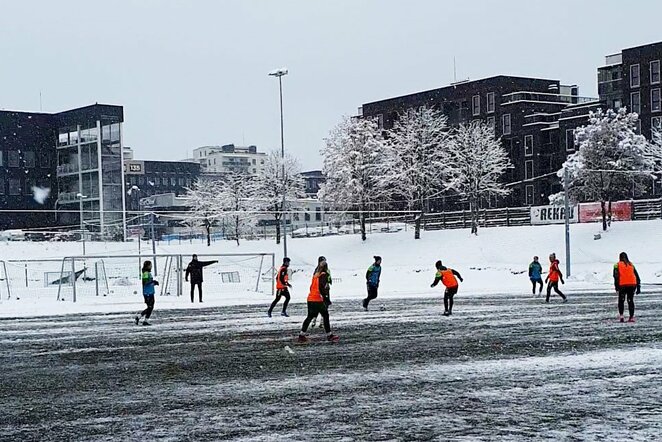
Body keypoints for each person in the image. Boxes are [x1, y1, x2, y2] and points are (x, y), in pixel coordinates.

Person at [298, 261, 339, 343]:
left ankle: (302, 335)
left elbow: (311, 287)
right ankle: (329, 335)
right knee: (325, 315)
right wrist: (325, 297)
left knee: (309, 317)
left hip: (310, 298)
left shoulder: (315, 275)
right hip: (317, 299)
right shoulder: (323, 275)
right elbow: (321, 287)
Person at [613, 252, 641, 323]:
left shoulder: (617, 265)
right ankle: (631, 317)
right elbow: (637, 276)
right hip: (632, 284)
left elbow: (616, 276)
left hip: (622, 285)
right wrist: (638, 287)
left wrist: (616, 286)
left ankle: (621, 316)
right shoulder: (631, 264)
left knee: (621, 300)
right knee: (630, 300)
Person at [311, 256, 332, 328]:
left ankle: (321, 321)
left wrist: (328, 282)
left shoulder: (326, 270)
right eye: (322, 261)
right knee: (320, 306)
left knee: (324, 305)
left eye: (325, 261)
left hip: (325, 290)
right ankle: (315, 319)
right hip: (320, 290)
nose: (324, 263)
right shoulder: (318, 271)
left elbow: (328, 278)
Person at [135, 260, 158, 326]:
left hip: (150, 292)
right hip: (147, 293)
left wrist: (154, 283)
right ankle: (140, 317)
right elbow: (145, 282)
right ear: (147, 266)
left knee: (150, 307)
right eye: (150, 265)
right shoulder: (145, 273)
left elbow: (148, 282)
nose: (151, 266)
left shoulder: (147, 273)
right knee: (150, 307)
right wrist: (152, 282)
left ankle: (145, 320)